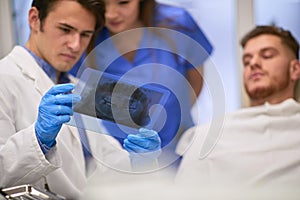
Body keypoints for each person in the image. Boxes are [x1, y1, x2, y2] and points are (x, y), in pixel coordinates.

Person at [0, 0, 160, 199]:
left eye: (85, 34)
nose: (75, 45)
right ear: (34, 19)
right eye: (65, 29)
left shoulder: (80, 87)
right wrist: (38, 140)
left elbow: (103, 165)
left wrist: (138, 164)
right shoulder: (4, 78)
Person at [71, 0, 213, 164]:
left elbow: (195, 82)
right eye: (102, 5)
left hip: (176, 148)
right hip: (114, 156)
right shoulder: (85, 34)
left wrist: (169, 119)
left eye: (123, 3)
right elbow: (75, 89)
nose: (111, 14)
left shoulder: (177, 24)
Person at [176, 25, 300, 188]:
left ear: (295, 69)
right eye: (246, 61)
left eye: (267, 55)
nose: (253, 63)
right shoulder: (208, 137)